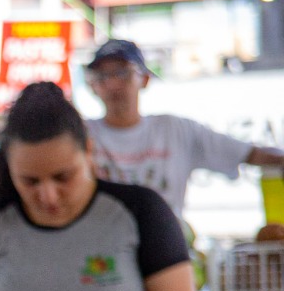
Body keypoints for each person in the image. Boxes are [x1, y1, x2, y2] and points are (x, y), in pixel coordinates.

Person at [0, 81, 199, 291]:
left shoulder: (141, 210)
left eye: (63, 177)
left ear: (88, 150)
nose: (48, 195)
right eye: (30, 181)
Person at [84, 39, 284, 217]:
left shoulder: (175, 130)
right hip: (102, 250)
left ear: (144, 79)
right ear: (92, 86)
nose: (112, 84)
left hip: (165, 249)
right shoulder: (81, 134)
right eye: (102, 76)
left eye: (122, 72)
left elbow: (248, 153)